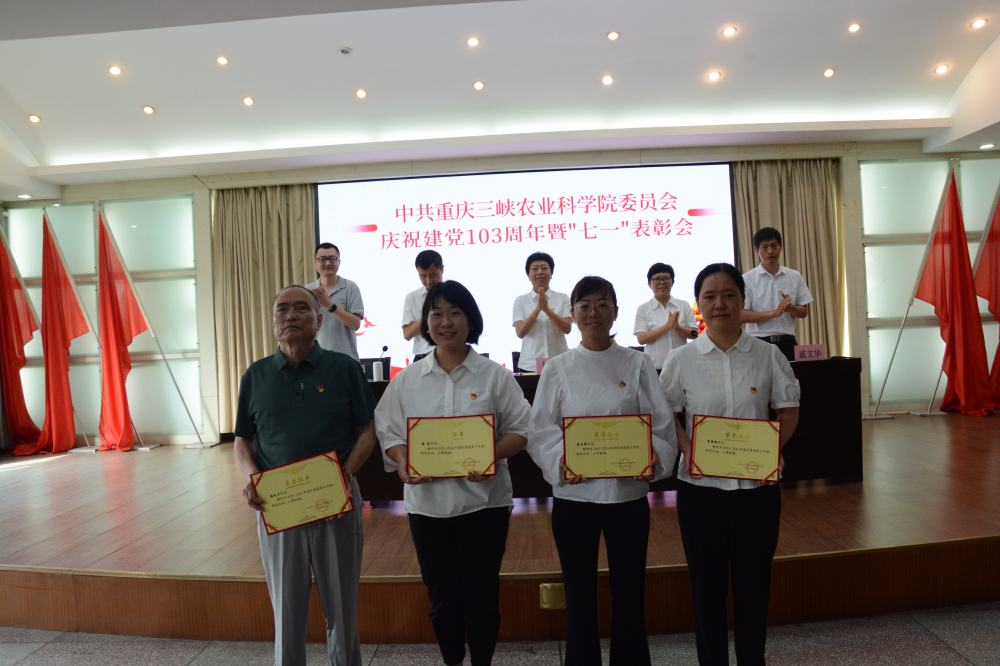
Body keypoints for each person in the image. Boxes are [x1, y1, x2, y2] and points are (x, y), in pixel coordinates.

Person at [376, 280, 531, 666]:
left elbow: (521, 429)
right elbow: (389, 432)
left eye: (455, 313)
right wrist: (402, 460)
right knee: (441, 598)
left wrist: (488, 455)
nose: (446, 322)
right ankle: (452, 661)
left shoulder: (494, 376)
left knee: (482, 597)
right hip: (427, 508)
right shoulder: (408, 379)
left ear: (471, 320)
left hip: (485, 505)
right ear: (426, 323)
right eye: (437, 314)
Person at [527, 276, 678, 666]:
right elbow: (540, 429)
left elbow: (661, 424)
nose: (593, 313)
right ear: (573, 314)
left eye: (602, 304)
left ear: (615, 312)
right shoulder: (558, 368)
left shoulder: (637, 363)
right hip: (575, 498)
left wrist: (651, 457)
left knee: (629, 593)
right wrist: (561, 461)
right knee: (579, 596)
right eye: (584, 306)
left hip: (627, 497)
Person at [660, 263, 800, 666]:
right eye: (710, 296)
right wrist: (689, 451)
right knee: (707, 589)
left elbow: (788, 410)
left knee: (754, 587)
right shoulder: (682, 358)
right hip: (700, 493)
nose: (719, 303)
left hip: (756, 492)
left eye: (729, 295)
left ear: (742, 300)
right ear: (699, 304)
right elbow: (668, 414)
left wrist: (771, 450)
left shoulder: (767, 355)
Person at [233, 285, 377, 666]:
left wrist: (345, 475)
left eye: (301, 308)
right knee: (286, 612)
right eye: (283, 309)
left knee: (342, 610)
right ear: (273, 323)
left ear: (319, 320)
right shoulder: (256, 376)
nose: (291, 315)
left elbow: (368, 432)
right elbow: (242, 439)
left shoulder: (344, 369)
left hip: (337, 502)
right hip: (279, 506)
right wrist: (251, 476)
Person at [740, 227, 813, 362]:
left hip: (787, 342)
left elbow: (803, 312)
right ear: (756, 250)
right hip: (758, 343)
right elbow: (741, 316)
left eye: (774, 246)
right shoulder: (747, 279)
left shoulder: (794, 276)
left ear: (781, 247)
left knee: (793, 376)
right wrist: (775, 313)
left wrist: (790, 308)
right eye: (764, 247)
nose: (770, 251)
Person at [512, 252, 572, 373]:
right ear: (528, 275)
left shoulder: (563, 298)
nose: (540, 272)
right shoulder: (521, 301)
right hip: (530, 365)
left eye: (544, 268)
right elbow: (520, 332)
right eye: (535, 269)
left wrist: (547, 310)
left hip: (560, 362)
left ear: (551, 274)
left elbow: (567, 328)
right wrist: (538, 309)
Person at [633, 262, 699, 370]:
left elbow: (695, 334)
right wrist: (667, 327)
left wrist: (678, 328)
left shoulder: (684, 305)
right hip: (654, 369)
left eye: (666, 278)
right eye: (657, 279)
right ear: (649, 284)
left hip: (681, 368)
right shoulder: (643, 309)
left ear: (672, 282)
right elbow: (641, 339)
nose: (662, 282)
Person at [307, 242, 365, 361]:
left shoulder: (351, 287)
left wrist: (330, 305)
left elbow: (355, 324)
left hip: (346, 359)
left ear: (339, 262)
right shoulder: (308, 291)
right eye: (322, 259)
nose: (328, 263)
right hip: (316, 360)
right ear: (315, 263)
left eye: (332, 259)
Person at [402, 250, 444, 362]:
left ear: (442, 269)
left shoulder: (455, 294)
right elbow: (407, 334)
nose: (428, 281)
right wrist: (429, 316)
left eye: (433, 275)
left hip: (450, 355)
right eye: (423, 276)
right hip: (422, 358)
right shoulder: (412, 297)